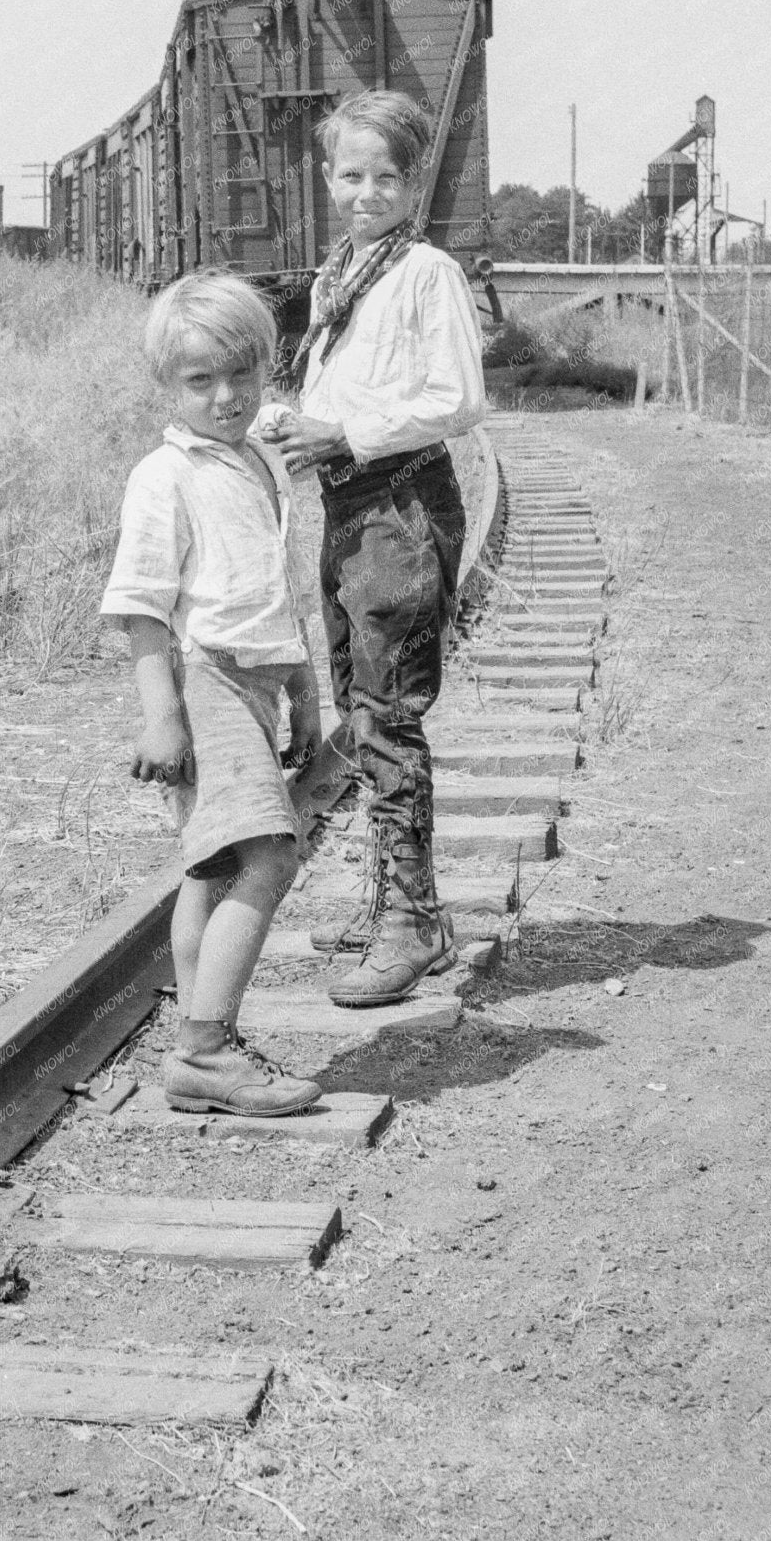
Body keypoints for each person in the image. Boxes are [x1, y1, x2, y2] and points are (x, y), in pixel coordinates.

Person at [261, 89, 489, 1008]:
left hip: (396, 502)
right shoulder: (344, 272)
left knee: (389, 714)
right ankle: (394, 897)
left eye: (386, 177)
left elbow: (458, 398)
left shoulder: (425, 270)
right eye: (350, 175)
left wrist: (345, 435)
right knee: (363, 707)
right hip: (349, 505)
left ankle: (413, 921)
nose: (366, 192)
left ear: (413, 182)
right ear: (328, 179)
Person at [99, 272, 325, 1116]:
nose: (226, 397)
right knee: (269, 855)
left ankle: (198, 1042)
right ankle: (206, 1050)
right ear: (170, 385)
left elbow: (271, 590)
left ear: (267, 366)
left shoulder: (259, 460)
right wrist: (163, 716)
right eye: (202, 381)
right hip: (209, 679)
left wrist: (303, 685)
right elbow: (142, 610)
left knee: (214, 867)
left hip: (259, 679)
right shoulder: (164, 477)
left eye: (243, 374)